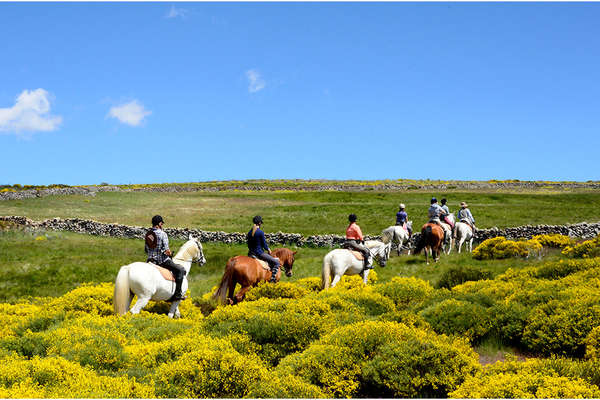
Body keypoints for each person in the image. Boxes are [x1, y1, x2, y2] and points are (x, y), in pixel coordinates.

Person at [145, 215, 187, 301]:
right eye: (162, 224)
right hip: (161, 261)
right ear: (159, 224)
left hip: (150, 261)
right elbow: (167, 251)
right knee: (180, 270)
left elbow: (146, 249)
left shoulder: (148, 234)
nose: (162, 225)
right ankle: (178, 295)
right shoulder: (162, 234)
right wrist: (170, 253)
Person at [247, 215, 280, 283]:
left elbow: (248, 244)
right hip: (259, 253)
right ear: (259, 223)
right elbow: (264, 244)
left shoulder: (249, 233)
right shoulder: (260, 232)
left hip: (250, 253)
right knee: (276, 262)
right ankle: (273, 279)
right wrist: (268, 249)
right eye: (261, 223)